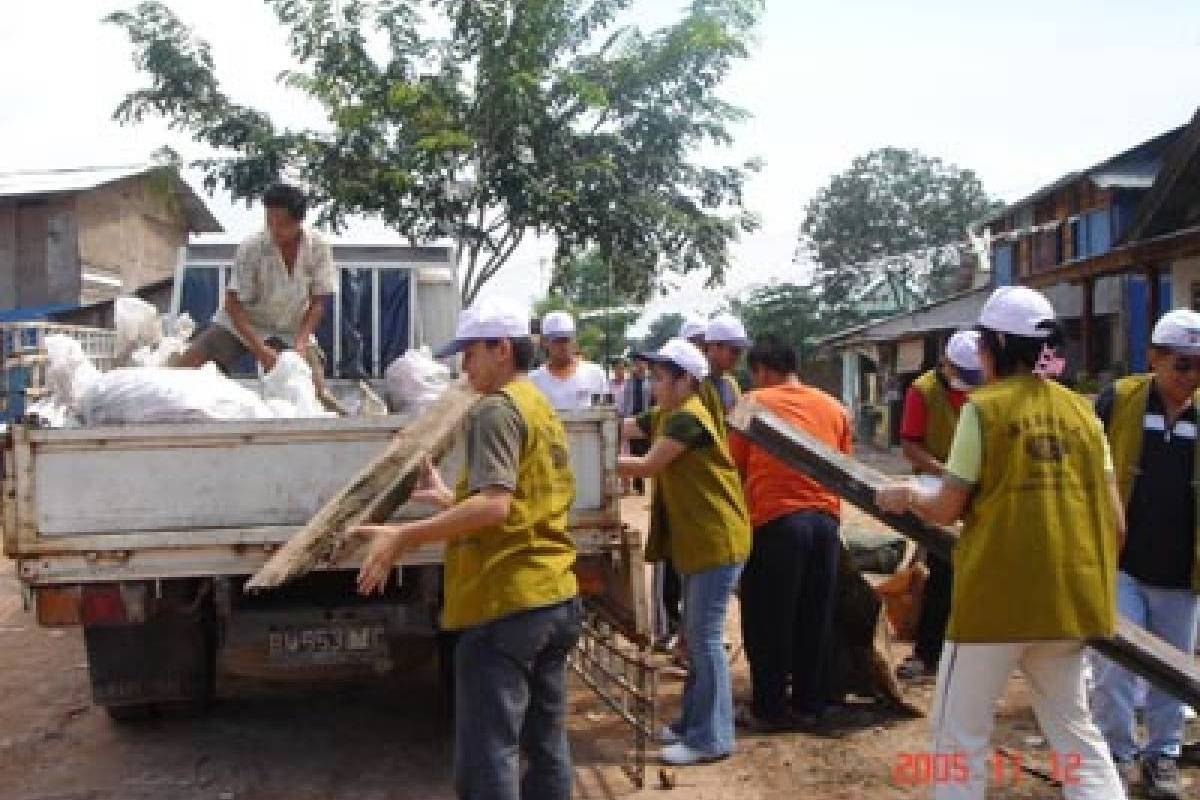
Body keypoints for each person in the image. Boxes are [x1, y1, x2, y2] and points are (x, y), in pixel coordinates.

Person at [876, 285, 1126, 800]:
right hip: (1073, 603)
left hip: (995, 603)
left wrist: (908, 495)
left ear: (992, 348)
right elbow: (1115, 523)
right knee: (1077, 738)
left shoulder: (983, 410)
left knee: (957, 738)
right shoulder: (1084, 413)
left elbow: (946, 507)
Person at [353, 296, 582, 800]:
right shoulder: (538, 404)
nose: (463, 365)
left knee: (488, 753)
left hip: (506, 602)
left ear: (501, 349)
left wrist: (402, 536)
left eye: (470, 352)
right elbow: (522, 496)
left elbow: (495, 508)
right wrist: (447, 497)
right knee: (545, 744)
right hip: (554, 596)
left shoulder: (494, 411)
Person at [619, 338, 751, 766]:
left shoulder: (688, 419)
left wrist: (580, 457)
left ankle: (711, 738)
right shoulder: (669, 413)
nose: (653, 385)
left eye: (659, 378)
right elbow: (624, 427)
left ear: (685, 381)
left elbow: (646, 466)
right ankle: (693, 725)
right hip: (701, 541)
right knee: (694, 639)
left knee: (705, 639)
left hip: (717, 540)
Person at [1091, 308, 1200, 800]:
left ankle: (1162, 756)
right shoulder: (1120, 400)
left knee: (1172, 670)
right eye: (1182, 364)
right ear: (1153, 358)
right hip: (1123, 559)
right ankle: (1115, 753)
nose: (1191, 376)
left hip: (1183, 569)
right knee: (1115, 665)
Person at [729, 335, 852, 731]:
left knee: (768, 617)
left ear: (762, 370)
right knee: (813, 616)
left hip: (778, 522)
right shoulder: (834, 407)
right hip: (825, 522)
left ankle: (769, 707)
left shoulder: (752, 405)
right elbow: (844, 466)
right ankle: (809, 703)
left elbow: (737, 466)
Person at [171, 183, 342, 412]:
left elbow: (319, 301)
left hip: (291, 328)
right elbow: (232, 305)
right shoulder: (252, 247)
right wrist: (260, 350)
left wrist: (301, 342)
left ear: (298, 222)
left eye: (281, 225)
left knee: (317, 392)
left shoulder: (318, 247)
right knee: (184, 369)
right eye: (269, 222)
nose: (274, 230)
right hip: (242, 323)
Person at [896, 330, 983, 681]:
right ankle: (929, 652)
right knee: (944, 565)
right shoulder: (923, 392)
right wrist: (947, 472)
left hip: (980, 480)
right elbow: (911, 445)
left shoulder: (992, 388)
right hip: (940, 477)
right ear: (945, 365)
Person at [529, 311, 608, 410]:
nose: (563, 346)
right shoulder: (534, 380)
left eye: (566, 339)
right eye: (557, 341)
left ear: (574, 339)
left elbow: (606, 415)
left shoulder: (595, 374)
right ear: (545, 342)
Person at [700, 313, 749, 435]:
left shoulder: (731, 382)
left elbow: (742, 426)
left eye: (740, 351)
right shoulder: (694, 382)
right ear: (713, 347)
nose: (738, 357)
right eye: (734, 351)